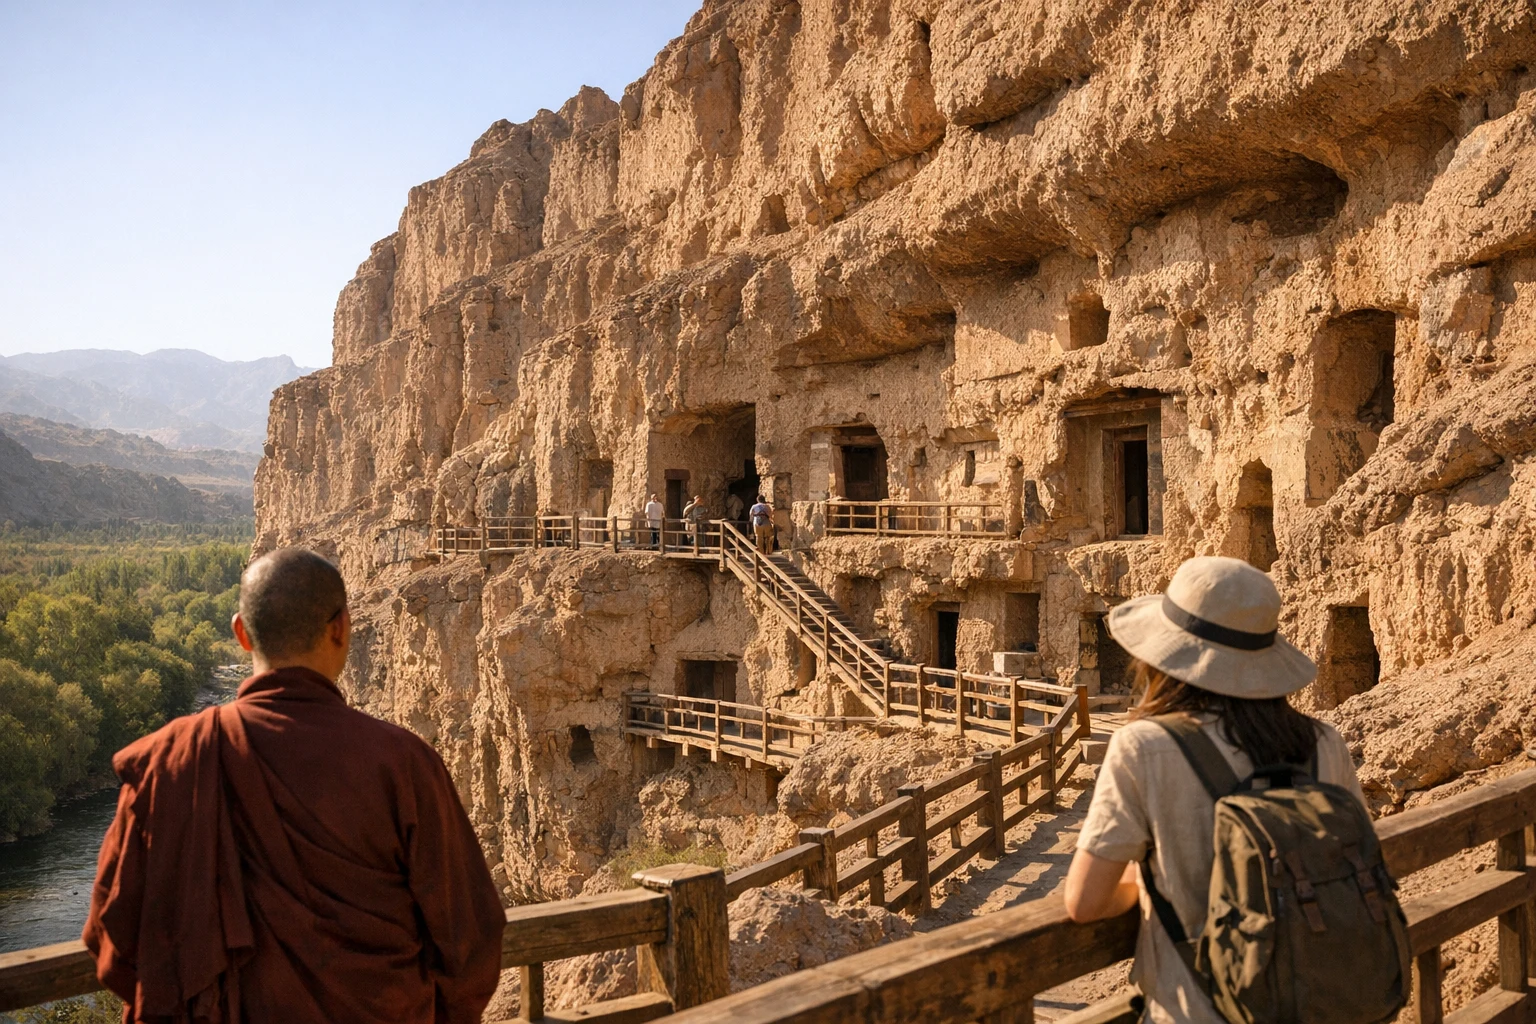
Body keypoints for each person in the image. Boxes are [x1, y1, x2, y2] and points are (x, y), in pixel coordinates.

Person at [83, 548, 505, 1024]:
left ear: (241, 633)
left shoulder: (173, 762)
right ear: (341, 628)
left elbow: (110, 939)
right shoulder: (402, 763)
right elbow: (472, 937)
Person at [1063, 556, 1368, 1024]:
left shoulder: (1143, 747)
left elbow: (1085, 902)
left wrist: (1144, 880)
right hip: (1318, 1004)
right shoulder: (1324, 743)